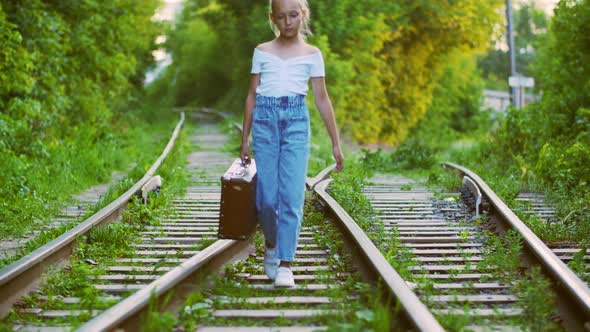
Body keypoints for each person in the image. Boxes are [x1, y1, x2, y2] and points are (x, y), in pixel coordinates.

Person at [240, 0, 344, 288]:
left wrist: (336, 143)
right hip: (265, 124)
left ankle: (286, 263)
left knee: (291, 198)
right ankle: (272, 245)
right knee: (266, 198)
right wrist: (244, 139)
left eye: (294, 15)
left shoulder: (313, 55)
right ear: (273, 18)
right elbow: (251, 96)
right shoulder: (262, 52)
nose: (288, 22)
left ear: (303, 15)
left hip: (297, 124)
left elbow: (322, 99)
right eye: (282, 17)